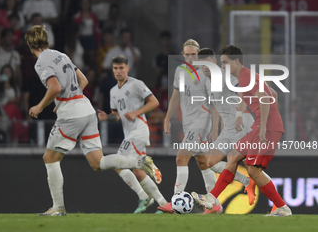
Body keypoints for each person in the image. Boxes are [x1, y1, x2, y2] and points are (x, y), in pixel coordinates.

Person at [24, 25, 161, 216]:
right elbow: (84, 81)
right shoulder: (61, 55)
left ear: (30, 45)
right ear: (47, 40)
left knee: (50, 158)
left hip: (71, 114)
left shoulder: (40, 63)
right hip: (85, 108)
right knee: (98, 162)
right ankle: (138, 162)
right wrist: (66, 99)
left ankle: (58, 208)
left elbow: (54, 87)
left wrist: (40, 106)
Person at [192, 45, 292, 217]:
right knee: (233, 157)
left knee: (253, 170)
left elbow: (266, 98)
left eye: (225, 63)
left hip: (266, 128)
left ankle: (282, 207)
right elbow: (273, 94)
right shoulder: (248, 76)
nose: (223, 67)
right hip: (260, 125)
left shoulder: (245, 78)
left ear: (236, 61)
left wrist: (264, 125)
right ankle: (211, 197)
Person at [98, 55, 166, 214]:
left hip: (139, 130)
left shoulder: (136, 84)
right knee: (137, 171)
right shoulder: (113, 91)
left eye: (121, 68)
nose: (118, 71)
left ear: (127, 68)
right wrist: (107, 117)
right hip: (129, 133)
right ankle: (163, 204)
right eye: (115, 68)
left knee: (116, 163)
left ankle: (143, 192)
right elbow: (116, 115)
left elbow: (154, 102)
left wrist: (136, 112)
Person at [158, 39, 218, 214]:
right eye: (188, 54)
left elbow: (215, 102)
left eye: (194, 54)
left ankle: (175, 201)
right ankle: (215, 204)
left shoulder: (206, 73)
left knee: (180, 158)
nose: (191, 57)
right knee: (203, 162)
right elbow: (176, 95)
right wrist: (167, 118)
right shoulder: (180, 71)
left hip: (201, 122)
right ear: (183, 55)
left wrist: (214, 128)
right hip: (189, 123)